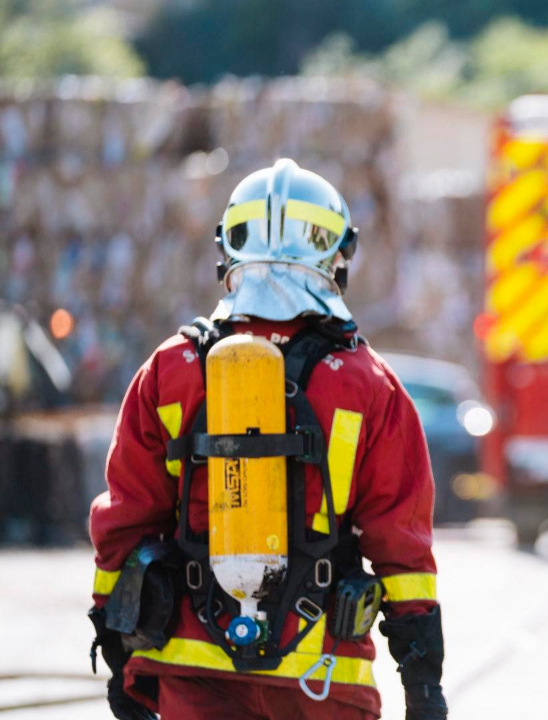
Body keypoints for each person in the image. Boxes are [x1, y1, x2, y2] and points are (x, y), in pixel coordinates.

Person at [87, 159, 447, 720]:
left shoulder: (171, 368)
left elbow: (126, 522)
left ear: (229, 251)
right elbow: (402, 544)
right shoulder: (367, 383)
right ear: (336, 255)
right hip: (321, 674)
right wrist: (423, 681)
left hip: (192, 667)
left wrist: (115, 650)